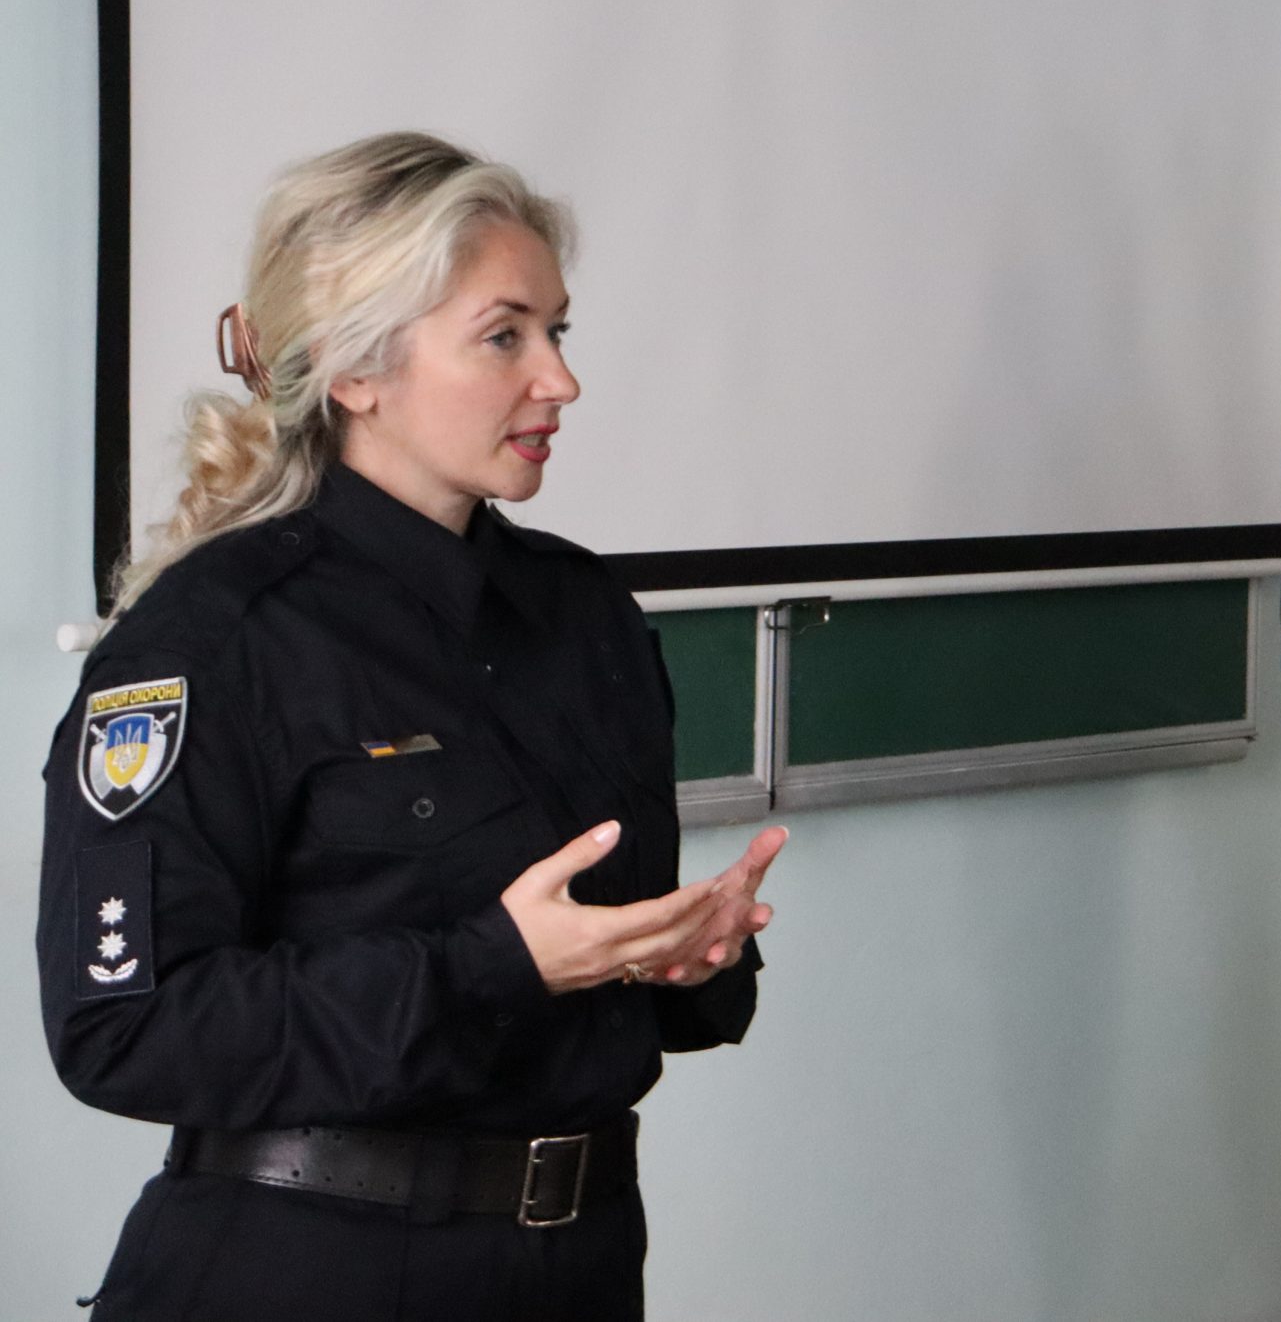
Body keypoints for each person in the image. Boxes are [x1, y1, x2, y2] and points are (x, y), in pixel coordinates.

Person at [39, 133, 789, 1321]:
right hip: (305, 1274)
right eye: (504, 337)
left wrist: (683, 958)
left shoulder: (586, 615)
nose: (559, 380)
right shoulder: (211, 642)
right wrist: (497, 964)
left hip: (581, 1268)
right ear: (356, 370)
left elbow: (591, 972)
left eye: (558, 332)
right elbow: (125, 1031)